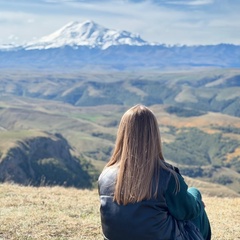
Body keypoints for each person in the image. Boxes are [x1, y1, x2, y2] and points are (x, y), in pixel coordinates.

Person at [98, 104, 211, 240]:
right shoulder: (167, 177)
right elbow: (189, 210)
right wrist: (197, 197)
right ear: (154, 135)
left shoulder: (105, 176)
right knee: (194, 196)